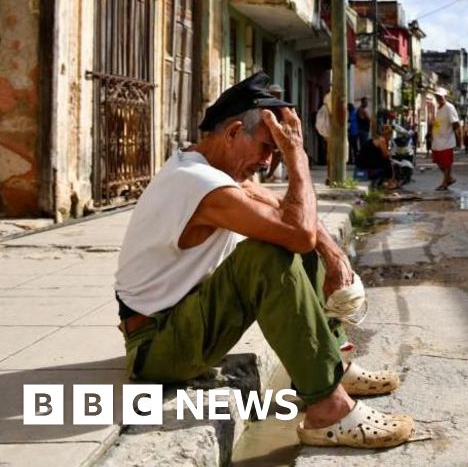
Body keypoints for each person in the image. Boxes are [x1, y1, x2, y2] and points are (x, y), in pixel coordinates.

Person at [113, 72, 413, 449]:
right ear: (234, 132)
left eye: (278, 151)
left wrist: (333, 254)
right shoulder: (198, 183)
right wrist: (298, 157)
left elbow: (288, 214)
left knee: (295, 241)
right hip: (156, 348)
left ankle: (333, 365)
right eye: (268, 148)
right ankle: (328, 410)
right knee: (268, 255)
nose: (270, 162)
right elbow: (296, 230)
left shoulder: (210, 168)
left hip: (180, 325)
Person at [430, 88, 461, 191]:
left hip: (447, 139)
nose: (438, 98)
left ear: (445, 97)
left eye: (440, 96)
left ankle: (444, 183)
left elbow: (456, 124)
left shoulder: (449, 107)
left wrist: (458, 139)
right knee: (438, 161)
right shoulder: (439, 108)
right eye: (437, 97)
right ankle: (449, 178)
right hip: (437, 140)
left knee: (446, 163)